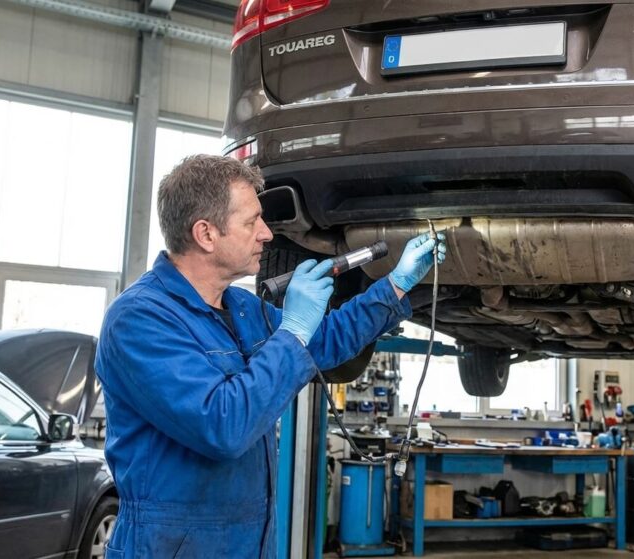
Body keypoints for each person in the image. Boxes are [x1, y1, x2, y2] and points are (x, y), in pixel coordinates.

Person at [94, 154, 446, 558]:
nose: (265, 233)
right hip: (169, 548)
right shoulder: (140, 320)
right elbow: (223, 426)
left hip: (252, 542)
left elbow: (326, 340)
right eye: (251, 222)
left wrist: (396, 286)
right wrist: (293, 330)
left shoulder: (243, 308)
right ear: (206, 234)